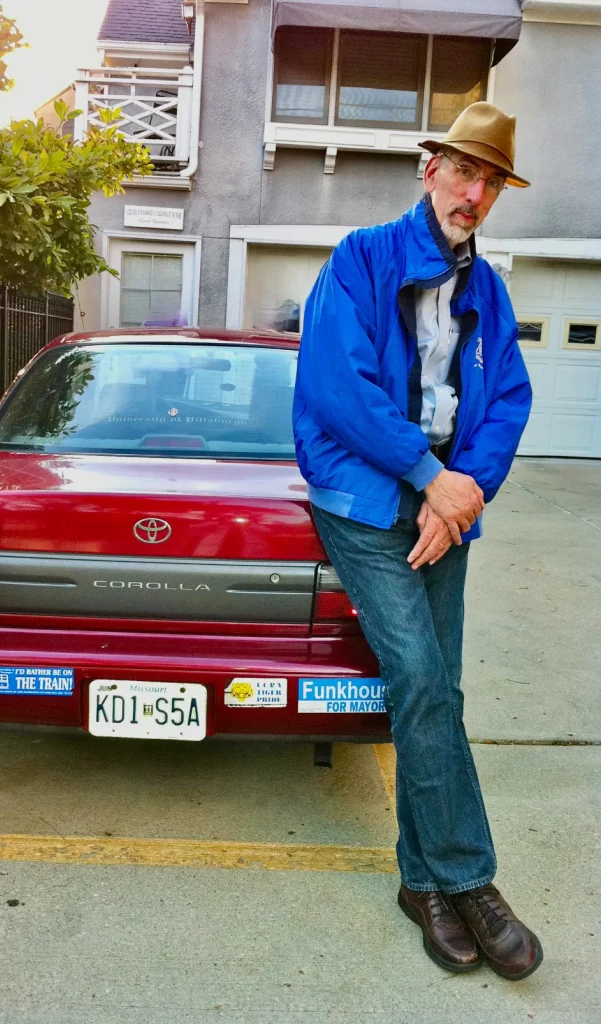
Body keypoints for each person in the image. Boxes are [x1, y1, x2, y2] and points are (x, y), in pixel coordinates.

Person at [293, 103, 542, 980]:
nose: (471, 193)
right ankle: (469, 881)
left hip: (443, 500)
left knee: (441, 689)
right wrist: (424, 474)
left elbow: (506, 398)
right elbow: (337, 386)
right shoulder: (360, 259)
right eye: (460, 171)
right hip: (362, 498)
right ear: (428, 167)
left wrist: (462, 491)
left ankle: (420, 883)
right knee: (422, 679)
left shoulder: (488, 289)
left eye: (488, 181)